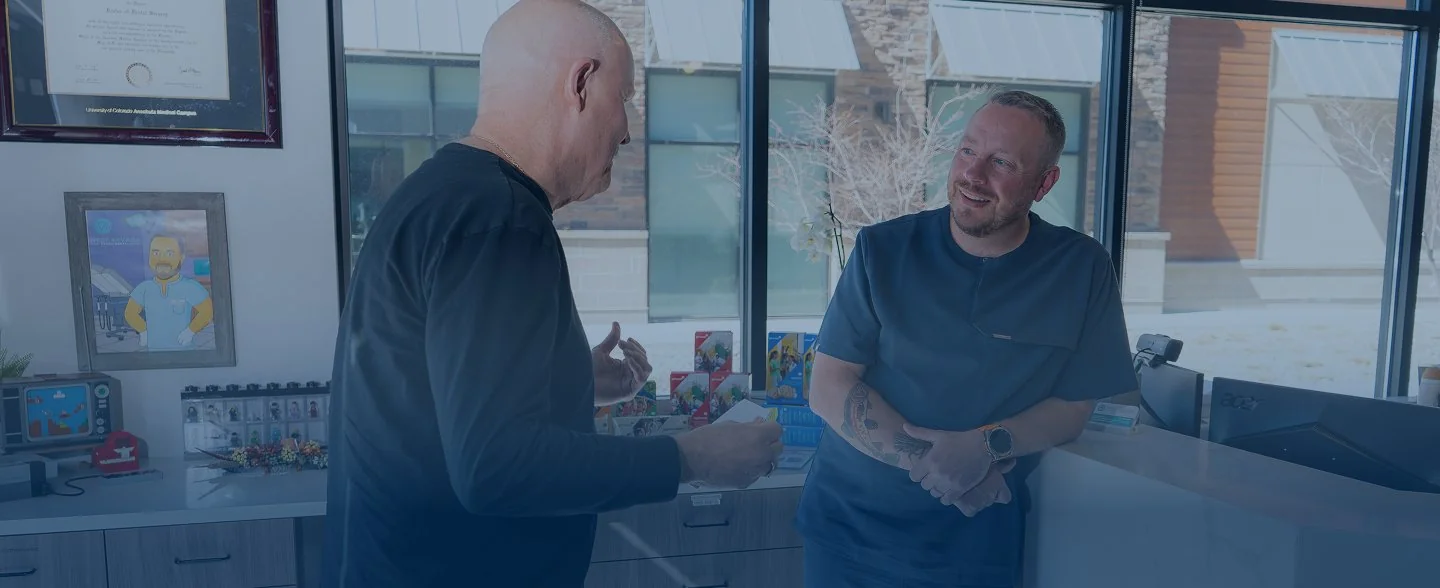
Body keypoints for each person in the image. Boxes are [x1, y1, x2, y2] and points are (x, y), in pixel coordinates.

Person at [322, 2, 783, 586]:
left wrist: (570, 380)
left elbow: (431, 395)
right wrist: (693, 457)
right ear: (582, 83)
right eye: (626, 97)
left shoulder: (440, 196)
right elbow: (497, 468)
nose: (627, 127)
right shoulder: (502, 221)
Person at [798, 90, 1138, 587]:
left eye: (1002, 161)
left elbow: (1074, 406)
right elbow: (829, 386)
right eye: (967, 151)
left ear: (1045, 183)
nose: (973, 176)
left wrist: (985, 447)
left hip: (979, 542)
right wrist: (938, 464)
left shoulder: (1080, 268)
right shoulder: (883, 250)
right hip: (853, 536)